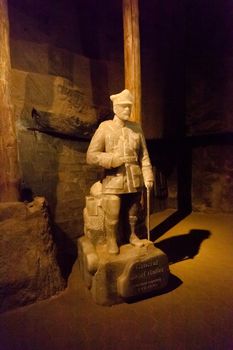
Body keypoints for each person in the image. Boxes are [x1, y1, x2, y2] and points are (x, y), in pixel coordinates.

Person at [86, 89, 154, 254]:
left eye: (129, 107)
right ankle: (111, 239)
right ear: (115, 108)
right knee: (113, 211)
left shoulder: (136, 128)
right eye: (124, 107)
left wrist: (148, 175)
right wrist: (111, 160)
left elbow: (144, 156)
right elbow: (91, 156)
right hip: (114, 178)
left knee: (133, 211)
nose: (127, 110)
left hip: (134, 178)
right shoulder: (105, 127)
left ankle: (132, 236)